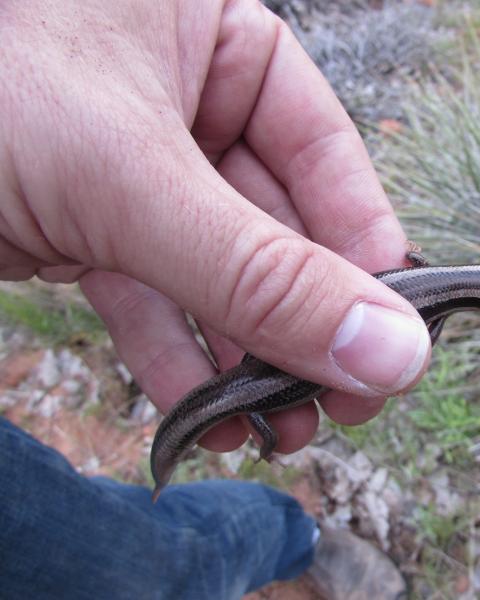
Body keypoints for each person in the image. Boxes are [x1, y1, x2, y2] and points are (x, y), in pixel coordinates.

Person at [0, 1, 423, 598]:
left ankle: (287, 537)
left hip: (252, 375)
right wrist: (276, 295)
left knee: (106, 551)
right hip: (257, 376)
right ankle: (277, 527)